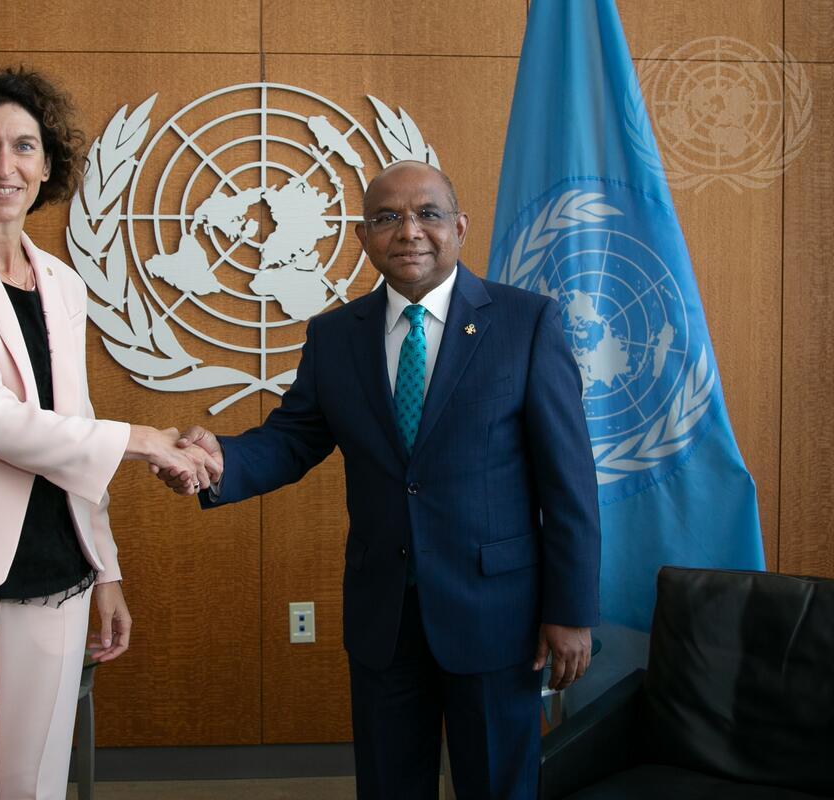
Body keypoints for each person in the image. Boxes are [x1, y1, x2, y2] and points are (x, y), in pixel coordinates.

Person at [160, 161, 601, 800]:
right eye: (388, 217)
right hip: (384, 615)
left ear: (459, 228)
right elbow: (293, 439)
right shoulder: (336, 336)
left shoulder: (526, 323)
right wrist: (219, 461)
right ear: (363, 236)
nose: (409, 231)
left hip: (496, 615)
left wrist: (570, 610)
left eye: (428, 214)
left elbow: (569, 483)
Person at [0, 64, 212, 800]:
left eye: (24, 146)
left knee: (36, 788)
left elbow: (68, 428)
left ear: (47, 165)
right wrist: (146, 439)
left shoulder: (62, 282)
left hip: (55, 570)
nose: (4, 166)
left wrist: (105, 569)